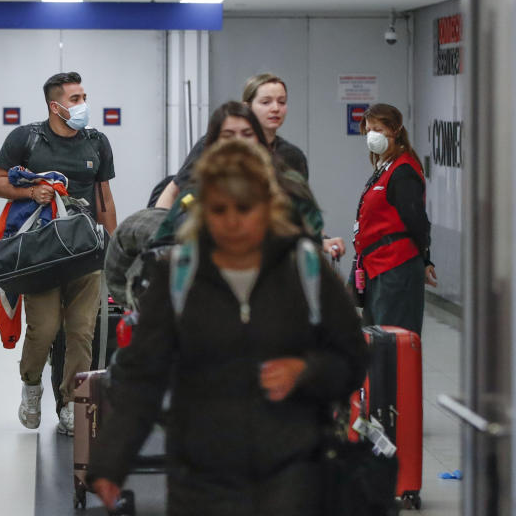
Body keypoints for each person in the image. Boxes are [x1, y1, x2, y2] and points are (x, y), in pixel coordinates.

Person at [89, 139, 367, 516]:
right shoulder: (179, 275)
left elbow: (352, 357)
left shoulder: (304, 268)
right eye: (220, 208)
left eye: (245, 206)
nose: (233, 221)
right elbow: (142, 376)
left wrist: (306, 371)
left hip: (291, 464)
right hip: (206, 473)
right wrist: (112, 460)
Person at [0, 71, 117, 436]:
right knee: (43, 329)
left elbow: (105, 199)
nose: (83, 105)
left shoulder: (97, 143)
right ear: (54, 105)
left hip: (86, 250)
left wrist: (114, 248)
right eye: (75, 99)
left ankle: (73, 404)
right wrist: (31, 193)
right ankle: (31, 383)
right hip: (43, 252)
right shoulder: (27, 138)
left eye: (83, 96)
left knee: (82, 332)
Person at [151, 101, 345, 256]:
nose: (238, 141)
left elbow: (309, 233)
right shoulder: (194, 193)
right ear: (213, 143)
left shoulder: (289, 185)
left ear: (259, 139)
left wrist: (320, 241)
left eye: (246, 134)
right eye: (228, 135)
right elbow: (161, 243)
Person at [156, 73, 308, 209]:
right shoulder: (212, 145)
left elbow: (303, 211)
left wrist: (320, 238)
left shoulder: (292, 156)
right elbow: (173, 191)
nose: (276, 108)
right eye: (266, 102)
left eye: (282, 102)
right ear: (247, 107)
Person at [354, 103, 437, 334]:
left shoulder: (403, 171)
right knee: (375, 340)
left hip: (395, 267)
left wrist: (425, 259)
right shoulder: (384, 166)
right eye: (369, 130)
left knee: (392, 341)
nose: (372, 136)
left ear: (396, 130)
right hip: (376, 266)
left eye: (379, 130)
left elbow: (418, 222)